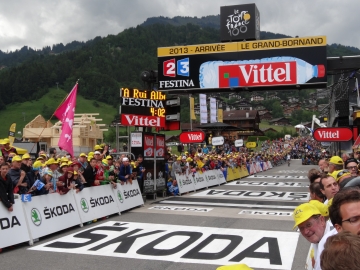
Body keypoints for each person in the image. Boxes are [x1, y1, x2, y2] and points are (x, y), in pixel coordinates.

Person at [293, 203, 331, 270]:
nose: (305, 232)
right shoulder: (319, 237)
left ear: (322, 220)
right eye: (301, 228)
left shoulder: (335, 241)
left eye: (309, 225)